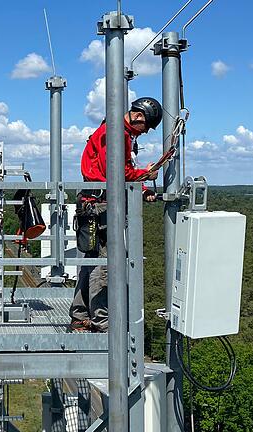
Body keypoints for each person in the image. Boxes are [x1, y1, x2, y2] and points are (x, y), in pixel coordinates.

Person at [70, 97, 163, 333]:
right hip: (101, 205)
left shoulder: (113, 131)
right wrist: (146, 175)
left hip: (93, 202)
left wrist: (141, 190)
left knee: (91, 263)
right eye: (146, 128)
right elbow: (116, 172)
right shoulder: (116, 134)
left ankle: (80, 315)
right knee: (104, 265)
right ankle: (102, 323)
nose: (144, 133)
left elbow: (117, 173)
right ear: (139, 116)